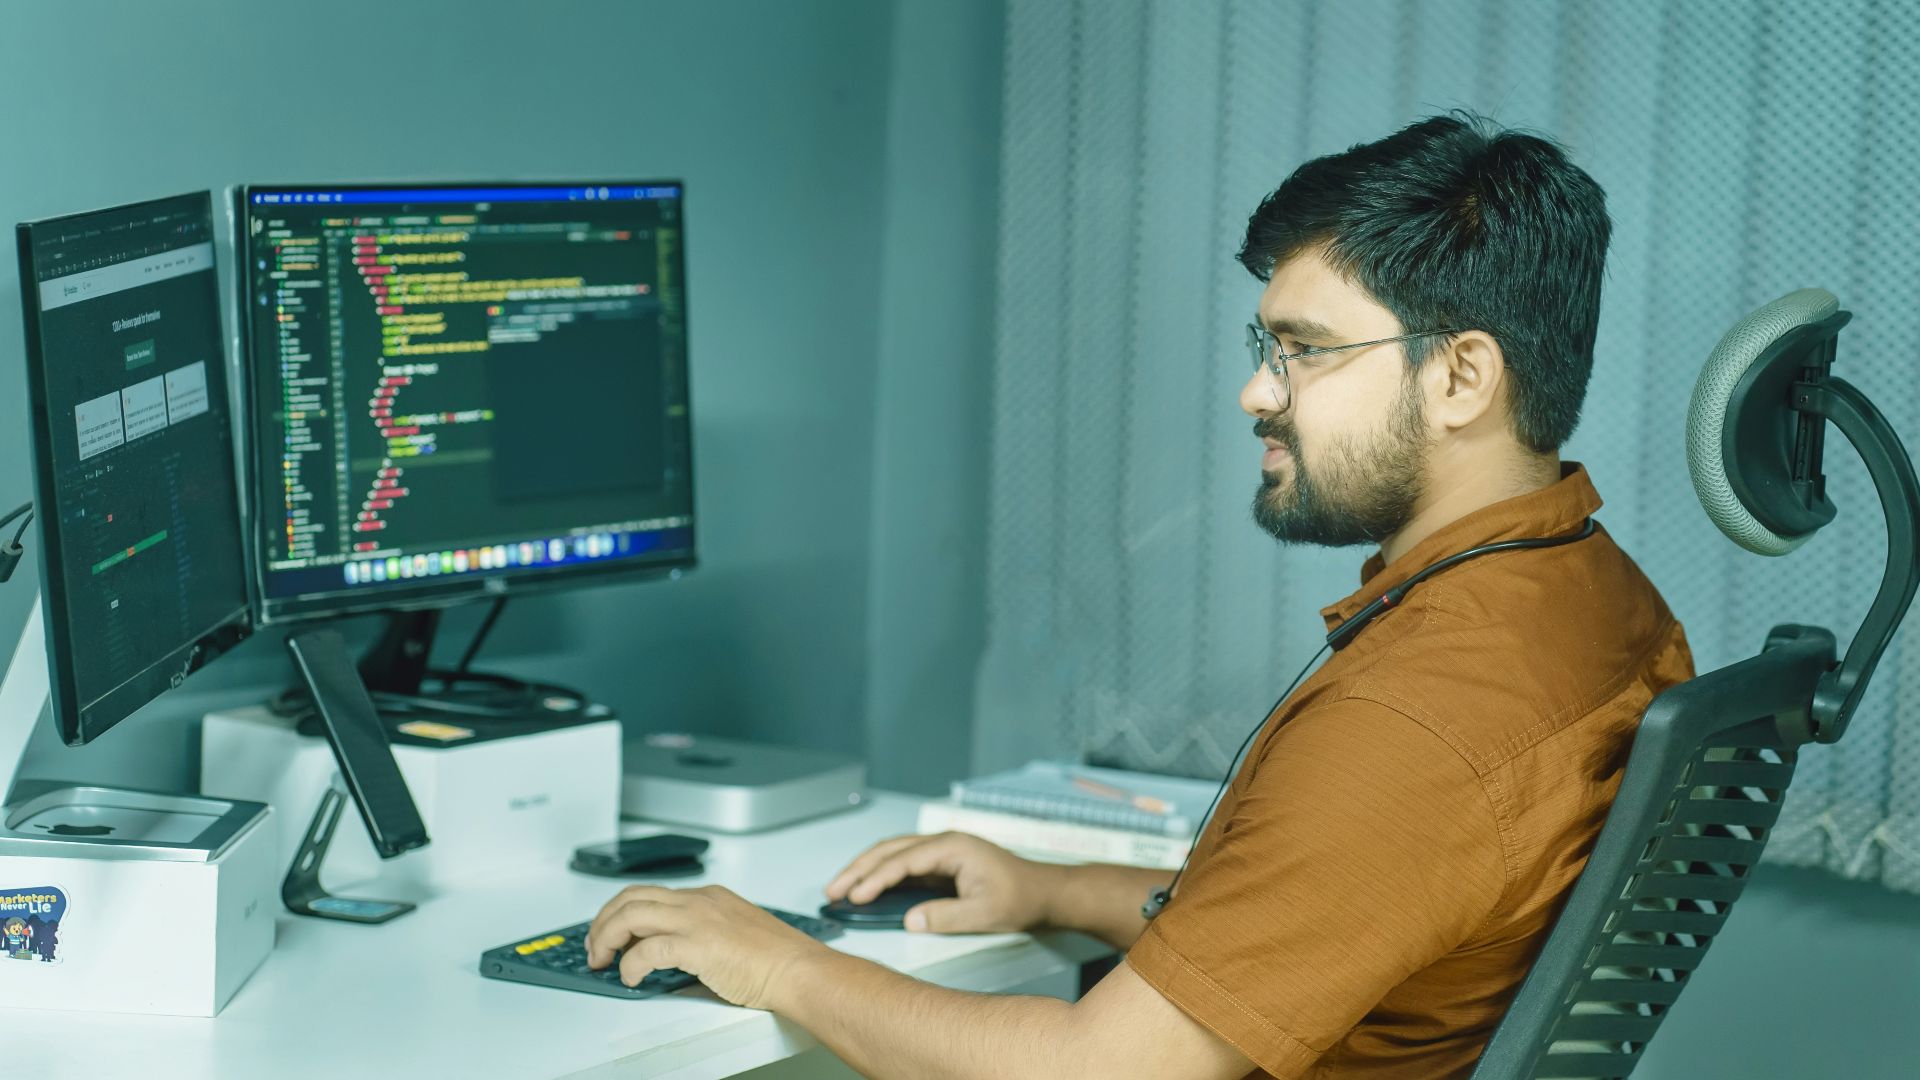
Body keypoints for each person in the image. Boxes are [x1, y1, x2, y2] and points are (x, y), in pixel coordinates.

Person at [583, 111, 1694, 1079]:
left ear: (1460, 377)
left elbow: (1097, 1071)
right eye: (1267, 342)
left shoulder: (1419, 722)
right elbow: (1350, 905)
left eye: (1305, 350)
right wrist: (1053, 888)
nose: (1257, 390)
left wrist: (783, 962)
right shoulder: (1600, 605)